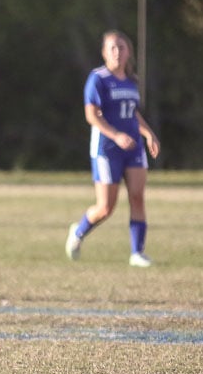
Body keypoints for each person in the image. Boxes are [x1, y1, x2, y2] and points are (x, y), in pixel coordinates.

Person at [65, 30, 161, 266]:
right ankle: (78, 232)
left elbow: (132, 113)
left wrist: (148, 134)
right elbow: (91, 116)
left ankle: (137, 253)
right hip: (106, 149)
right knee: (106, 207)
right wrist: (116, 136)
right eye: (112, 48)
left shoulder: (132, 81)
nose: (117, 52)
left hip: (134, 148)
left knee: (137, 197)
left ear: (129, 51)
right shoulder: (98, 79)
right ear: (104, 53)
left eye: (121, 47)